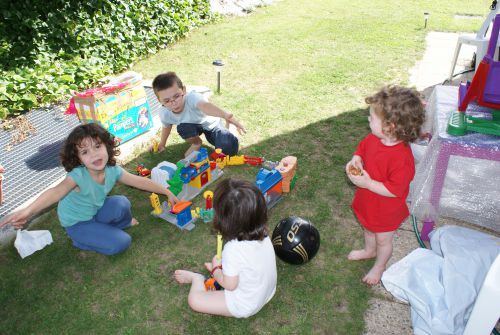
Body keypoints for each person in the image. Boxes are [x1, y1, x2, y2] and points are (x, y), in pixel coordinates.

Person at [0, 123, 178, 256]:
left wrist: (167, 191)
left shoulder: (112, 170)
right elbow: (55, 192)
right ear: (78, 159)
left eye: (98, 146)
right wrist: (28, 210)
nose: (94, 154)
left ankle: (115, 226)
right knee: (122, 242)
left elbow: (140, 181)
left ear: (107, 146)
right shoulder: (78, 176)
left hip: (95, 210)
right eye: (85, 152)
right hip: (77, 223)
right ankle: (80, 241)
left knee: (121, 202)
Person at [345, 85, 425, 285]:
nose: (368, 120)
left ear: (390, 127)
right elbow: (362, 148)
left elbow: (394, 190)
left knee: (383, 239)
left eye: (372, 118)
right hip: (369, 201)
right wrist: (356, 159)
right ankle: (369, 250)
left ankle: (379, 266)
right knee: (368, 227)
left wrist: (368, 182)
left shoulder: (402, 159)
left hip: (387, 209)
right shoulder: (374, 138)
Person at [174, 178, 277, 318]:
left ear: (224, 219)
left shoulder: (232, 249)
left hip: (245, 304)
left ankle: (196, 278)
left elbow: (230, 285)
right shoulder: (263, 234)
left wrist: (216, 269)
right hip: (266, 293)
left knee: (195, 301)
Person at [152, 72, 246, 157]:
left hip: (211, 126)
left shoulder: (192, 97)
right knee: (183, 128)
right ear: (159, 100)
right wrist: (162, 144)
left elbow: (205, 106)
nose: (173, 103)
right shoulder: (164, 112)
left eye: (176, 96)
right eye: (167, 101)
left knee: (228, 149)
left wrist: (225, 115)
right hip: (192, 127)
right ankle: (196, 144)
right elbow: (166, 126)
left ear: (183, 90)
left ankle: (231, 130)